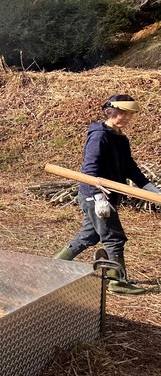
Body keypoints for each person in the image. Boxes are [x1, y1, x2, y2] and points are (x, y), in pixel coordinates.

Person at [53, 94, 161, 294]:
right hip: (95, 196)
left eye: (129, 114)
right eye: (122, 113)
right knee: (114, 238)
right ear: (109, 112)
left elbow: (130, 169)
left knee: (89, 235)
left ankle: (53, 264)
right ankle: (117, 282)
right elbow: (90, 170)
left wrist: (153, 191)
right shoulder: (99, 136)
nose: (126, 118)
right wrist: (98, 197)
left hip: (106, 196)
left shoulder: (120, 138)